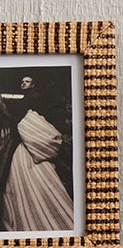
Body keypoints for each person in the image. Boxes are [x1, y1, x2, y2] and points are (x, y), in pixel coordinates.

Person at [0, 76, 75, 233]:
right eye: (22, 81)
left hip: (28, 140)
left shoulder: (33, 99)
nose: (23, 83)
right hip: (26, 142)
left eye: (27, 81)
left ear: (33, 85)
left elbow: (29, 120)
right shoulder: (27, 99)